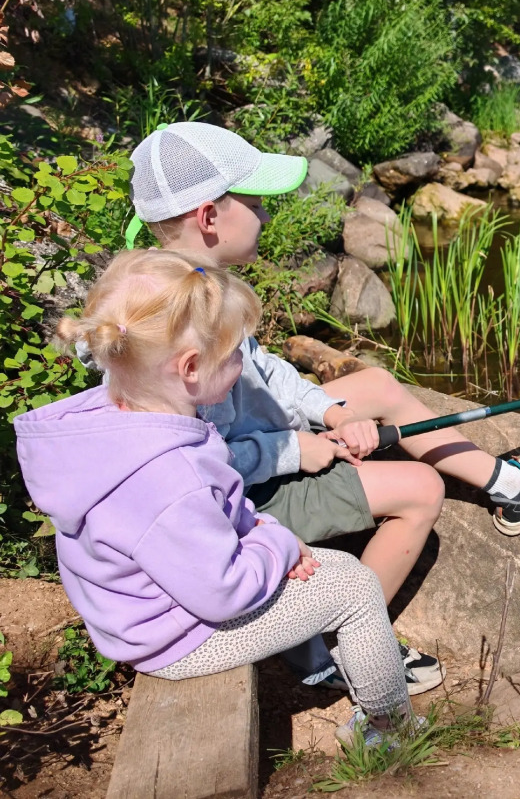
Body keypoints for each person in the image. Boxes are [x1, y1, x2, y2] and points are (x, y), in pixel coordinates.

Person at [122, 122, 520, 692]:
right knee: (422, 491)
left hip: (260, 444)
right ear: (208, 217)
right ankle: (347, 639)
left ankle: (508, 485)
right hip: (241, 497)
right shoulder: (182, 325)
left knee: (380, 386)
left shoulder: (180, 281)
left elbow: (267, 375)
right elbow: (201, 466)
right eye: (255, 204)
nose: (266, 215)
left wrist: (332, 413)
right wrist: (298, 450)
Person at [15, 250, 413, 749]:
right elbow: (223, 592)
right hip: (175, 638)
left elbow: (224, 505)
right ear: (190, 368)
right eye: (233, 357)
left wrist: (265, 532)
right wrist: (280, 547)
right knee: (354, 587)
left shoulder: (123, 419)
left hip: (150, 610)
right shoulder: (168, 475)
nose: (241, 365)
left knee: (334, 570)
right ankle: (389, 731)